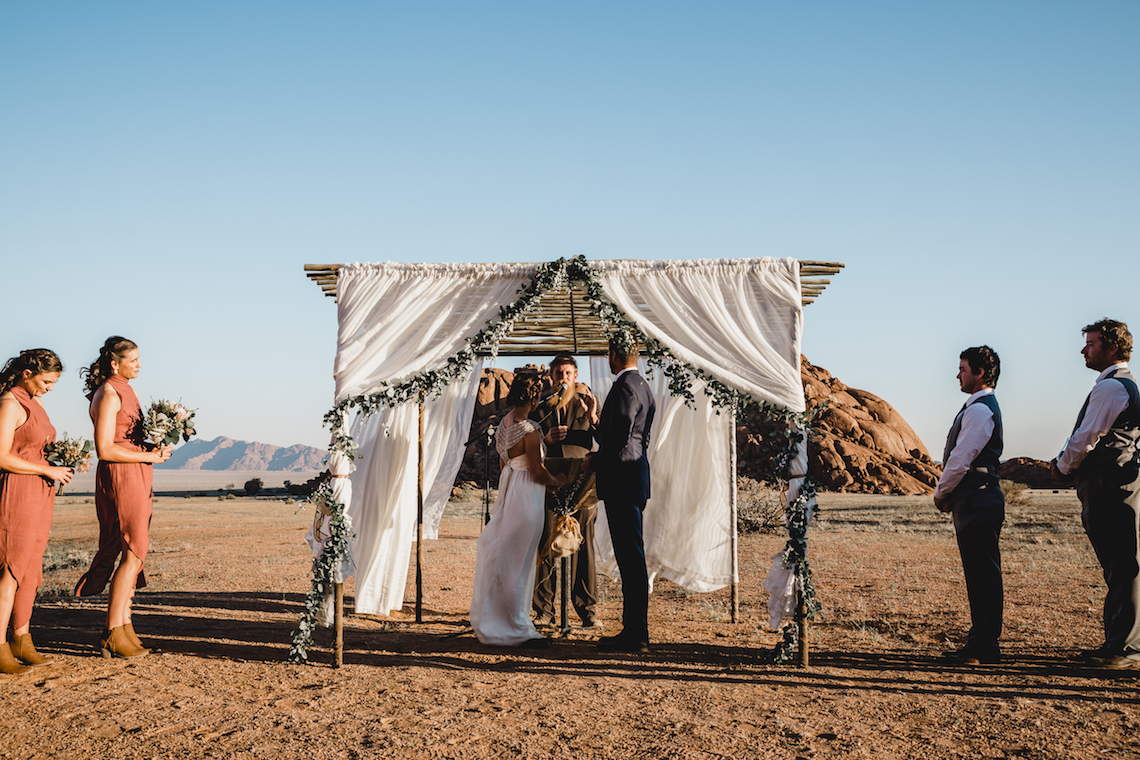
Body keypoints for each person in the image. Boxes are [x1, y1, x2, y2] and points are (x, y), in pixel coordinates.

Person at [1051, 319, 1140, 669]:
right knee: (1119, 564)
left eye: (1091, 344)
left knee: (1122, 565)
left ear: (1112, 348)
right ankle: (1117, 644)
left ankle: (1126, 649)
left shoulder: (1111, 387)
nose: (1083, 350)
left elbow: (1086, 438)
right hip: (1115, 484)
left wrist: (1061, 467)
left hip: (1110, 486)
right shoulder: (1121, 385)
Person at [75, 337, 171, 658]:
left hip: (137, 472)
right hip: (121, 475)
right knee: (133, 549)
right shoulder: (108, 393)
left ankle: (126, 627)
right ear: (115, 364)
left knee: (136, 551)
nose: (139, 364)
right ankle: (112, 632)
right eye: (134, 360)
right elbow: (105, 449)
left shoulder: (129, 390)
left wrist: (155, 449)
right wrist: (148, 457)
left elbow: (128, 439)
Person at [470, 373, 567, 647]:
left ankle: (502, 620)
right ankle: (517, 625)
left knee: (508, 557)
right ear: (534, 397)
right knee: (521, 561)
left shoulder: (503, 425)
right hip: (527, 497)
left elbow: (504, 465)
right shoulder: (530, 429)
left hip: (510, 491)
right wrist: (556, 481)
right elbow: (536, 470)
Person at [0, 350, 74, 674]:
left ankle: (21, 638)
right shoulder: (9, 403)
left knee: (30, 569)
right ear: (27, 373)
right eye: (47, 381)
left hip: (38, 494)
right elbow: (1, 456)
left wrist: (59, 464)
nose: (50, 388)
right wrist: (46, 470)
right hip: (17, 491)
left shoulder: (35, 403)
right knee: (11, 570)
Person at [583, 334, 656, 653]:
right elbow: (631, 437)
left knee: (631, 558)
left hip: (623, 481)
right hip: (633, 478)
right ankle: (633, 630)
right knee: (631, 556)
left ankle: (636, 634)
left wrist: (595, 460)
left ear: (613, 354)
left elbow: (621, 439)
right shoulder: (642, 386)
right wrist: (595, 419)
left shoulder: (625, 387)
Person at [933, 346, 1004, 665]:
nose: (957, 375)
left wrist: (941, 492)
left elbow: (962, 458)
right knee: (980, 573)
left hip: (978, 498)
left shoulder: (979, 410)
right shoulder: (978, 407)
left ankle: (984, 646)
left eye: (963, 369)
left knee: (982, 574)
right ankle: (981, 642)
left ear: (980, 373)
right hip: (977, 498)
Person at [531, 355, 601, 629]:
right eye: (558, 373)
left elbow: (603, 437)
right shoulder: (540, 408)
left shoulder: (586, 404)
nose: (563, 378)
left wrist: (593, 416)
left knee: (584, 547)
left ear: (575, 376)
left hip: (582, 485)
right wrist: (545, 440)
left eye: (568, 373)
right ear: (551, 376)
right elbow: (527, 442)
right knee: (545, 544)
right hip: (549, 484)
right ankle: (544, 610)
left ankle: (587, 610)